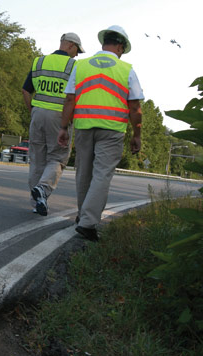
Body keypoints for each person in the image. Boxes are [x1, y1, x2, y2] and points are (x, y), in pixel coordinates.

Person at [58, 25, 144, 241]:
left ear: (103, 42)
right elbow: (134, 108)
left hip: (84, 127)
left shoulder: (82, 65)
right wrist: (137, 134)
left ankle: (82, 215)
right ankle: (87, 223)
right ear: (120, 47)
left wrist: (63, 127)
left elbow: (70, 99)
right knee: (102, 174)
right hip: (112, 129)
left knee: (83, 172)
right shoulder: (126, 70)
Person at [22, 32, 85, 216]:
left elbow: (26, 91)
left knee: (37, 159)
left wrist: (32, 111)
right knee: (57, 158)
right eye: (77, 51)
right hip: (59, 116)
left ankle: (36, 202)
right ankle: (43, 188)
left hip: (38, 114)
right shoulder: (74, 66)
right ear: (71, 46)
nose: (77, 55)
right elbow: (74, 96)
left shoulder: (39, 62)